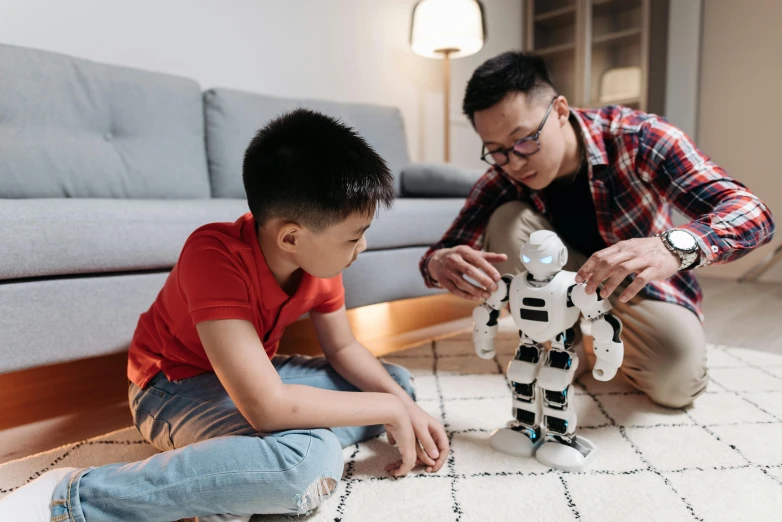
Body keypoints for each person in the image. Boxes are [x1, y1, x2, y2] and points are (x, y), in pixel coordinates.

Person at [1, 109, 449, 522]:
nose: (363, 248)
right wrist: (386, 407)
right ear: (291, 237)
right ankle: (73, 496)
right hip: (170, 390)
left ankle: (232, 481)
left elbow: (344, 347)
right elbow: (266, 408)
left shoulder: (319, 260)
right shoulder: (213, 254)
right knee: (306, 458)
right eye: (355, 237)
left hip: (253, 374)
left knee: (398, 383)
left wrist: (402, 404)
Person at [420, 51, 775, 409]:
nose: (514, 163)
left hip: (637, 284)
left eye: (525, 140)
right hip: (557, 286)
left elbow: (754, 214)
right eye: (496, 151)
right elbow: (444, 249)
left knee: (677, 385)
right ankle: (562, 344)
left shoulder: (640, 138)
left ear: (559, 111)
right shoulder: (504, 175)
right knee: (506, 219)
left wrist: (671, 247)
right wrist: (441, 263)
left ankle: (618, 342)